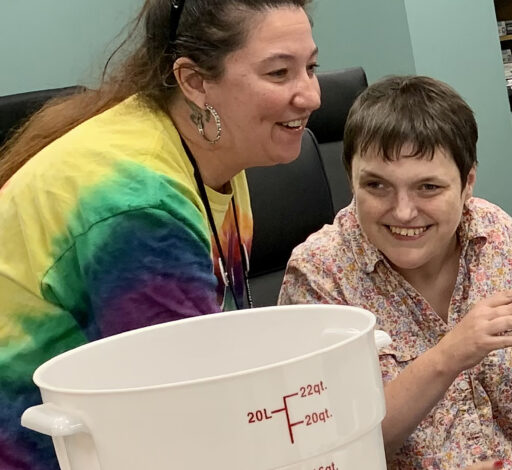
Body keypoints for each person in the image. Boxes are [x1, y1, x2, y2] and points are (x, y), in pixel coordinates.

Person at [0, 0, 320, 468]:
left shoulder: (213, 146)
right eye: (278, 73)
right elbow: (183, 426)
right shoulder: (139, 207)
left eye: (311, 67)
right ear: (194, 81)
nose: (310, 95)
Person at [279, 75, 512, 469]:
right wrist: (449, 355)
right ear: (351, 181)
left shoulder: (495, 235)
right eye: (377, 186)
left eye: (428, 187)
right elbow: (332, 449)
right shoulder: (320, 272)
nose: (404, 211)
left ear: (467, 185)